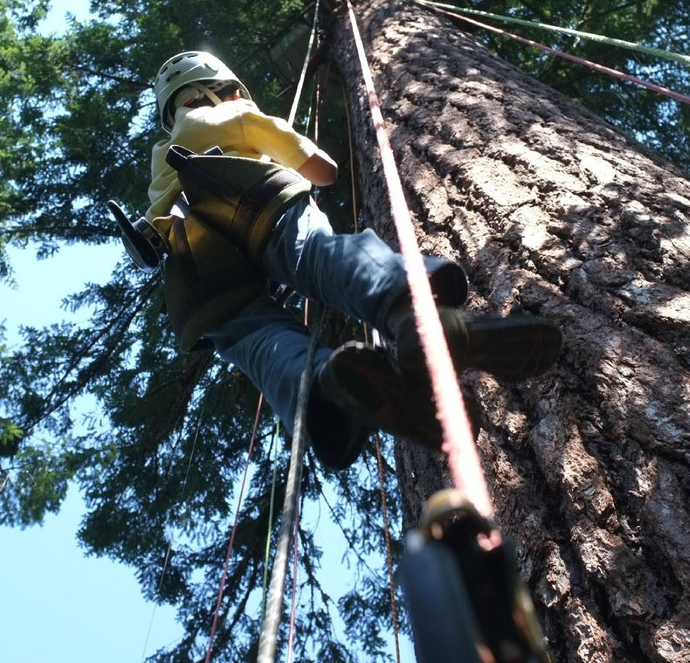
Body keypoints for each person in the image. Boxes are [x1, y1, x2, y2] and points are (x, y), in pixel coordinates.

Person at [141, 50, 561, 468]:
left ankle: (325, 390)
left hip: (189, 265)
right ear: (221, 91)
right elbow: (323, 170)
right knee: (318, 255)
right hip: (252, 200)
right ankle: (411, 315)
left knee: (252, 339)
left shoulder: (162, 158)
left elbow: (147, 229)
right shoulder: (236, 113)